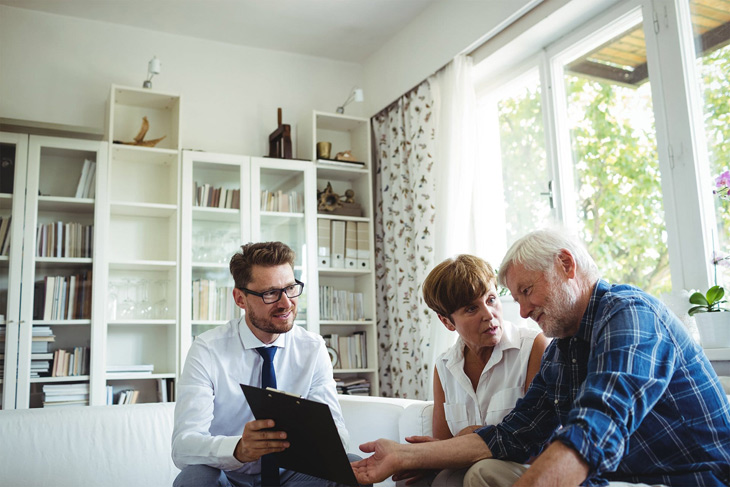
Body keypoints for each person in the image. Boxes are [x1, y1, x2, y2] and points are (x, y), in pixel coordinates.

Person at [352, 229, 730, 487]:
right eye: (515, 298)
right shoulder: (566, 346)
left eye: (527, 291)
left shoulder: (629, 314)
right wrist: (403, 456)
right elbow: (512, 435)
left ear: (567, 265)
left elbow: (595, 428)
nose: (522, 310)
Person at [172, 241, 355, 487]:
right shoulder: (207, 350)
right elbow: (184, 446)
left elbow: (339, 436)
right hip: (229, 476)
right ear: (240, 299)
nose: (286, 303)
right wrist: (238, 449)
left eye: (290, 288)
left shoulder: (312, 348)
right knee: (194, 479)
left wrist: (314, 439)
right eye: (270, 293)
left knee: (352, 469)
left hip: (293, 473)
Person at [395, 255, 548, 486]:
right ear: (447, 322)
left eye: (491, 299)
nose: (488, 314)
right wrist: (426, 458)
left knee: (478, 472)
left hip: (526, 469)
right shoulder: (445, 367)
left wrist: (472, 435)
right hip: (469, 470)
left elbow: (540, 442)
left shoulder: (534, 346)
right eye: (471, 308)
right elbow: (445, 446)